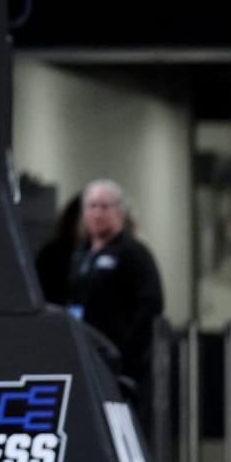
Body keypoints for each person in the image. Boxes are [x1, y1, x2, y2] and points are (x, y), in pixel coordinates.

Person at [68, 180, 164, 430]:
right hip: (88, 354)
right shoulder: (81, 256)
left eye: (104, 206)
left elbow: (151, 303)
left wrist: (127, 348)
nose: (97, 213)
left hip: (124, 362)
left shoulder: (133, 252)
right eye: (91, 206)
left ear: (119, 211)